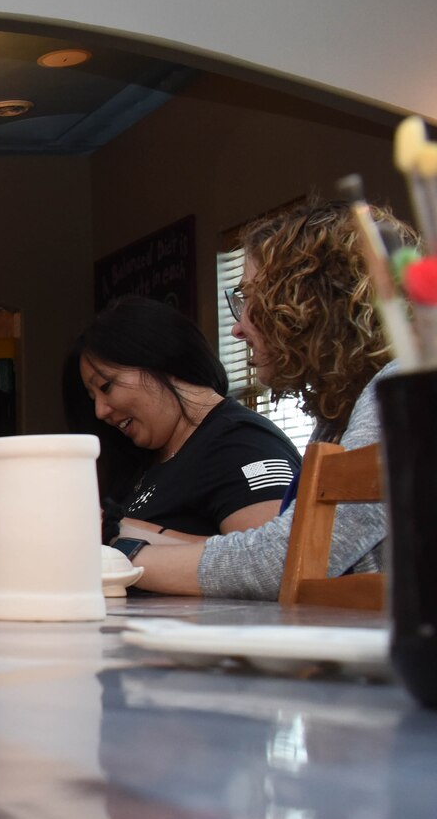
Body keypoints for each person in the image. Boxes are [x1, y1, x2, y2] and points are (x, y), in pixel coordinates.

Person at [119, 200, 409, 596]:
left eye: (249, 298)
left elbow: (285, 559)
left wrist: (119, 559)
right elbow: (283, 549)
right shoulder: (339, 417)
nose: (237, 328)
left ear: (309, 302)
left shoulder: (400, 390)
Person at [73, 296, 297, 538]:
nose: (100, 410)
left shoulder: (243, 444)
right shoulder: (150, 462)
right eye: (92, 397)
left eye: (106, 387)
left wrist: (124, 538)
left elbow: (264, 563)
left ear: (159, 358)